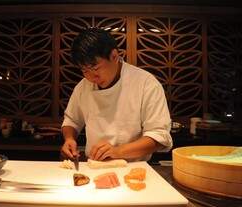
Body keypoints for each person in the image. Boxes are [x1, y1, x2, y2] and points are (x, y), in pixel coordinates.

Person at [61, 27, 172, 162]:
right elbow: (71, 120)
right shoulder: (83, 87)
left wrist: (118, 151)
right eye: (85, 71)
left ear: (114, 56)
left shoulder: (146, 84)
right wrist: (69, 139)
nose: (91, 77)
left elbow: (159, 136)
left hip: (134, 169)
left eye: (95, 69)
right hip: (94, 166)